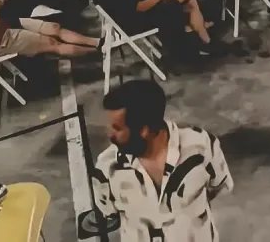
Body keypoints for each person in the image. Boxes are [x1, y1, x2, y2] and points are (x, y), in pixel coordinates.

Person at [93, 80, 232, 242]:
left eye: (117, 128)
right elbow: (109, 213)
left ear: (144, 130)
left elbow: (219, 187)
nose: (110, 135)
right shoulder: (107, 167)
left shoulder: (201, 146)